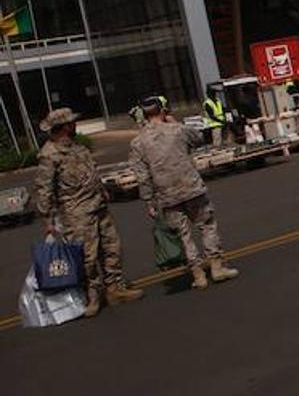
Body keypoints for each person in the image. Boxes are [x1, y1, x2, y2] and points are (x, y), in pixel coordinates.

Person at [33, 107, 145, 316]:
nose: (75, 125)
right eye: (72, 123)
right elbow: (43, 189)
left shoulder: (77, 147)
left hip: (98, 206)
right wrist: (47, 221)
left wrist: (102, 190)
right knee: (87, 257)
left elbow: (90, 172)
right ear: (65, 126)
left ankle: (115, 289)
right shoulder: (50, 154)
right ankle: (92, 296)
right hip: (77, 213)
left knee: (112, 248)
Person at [128, 96, 240, 292]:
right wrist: (175, 122)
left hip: (166, 194)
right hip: (191, 187)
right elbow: (198, 138)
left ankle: (198, 274)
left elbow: (142, 175)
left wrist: (149, 201)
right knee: (206, 225)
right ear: (163, 110)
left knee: (182, 234)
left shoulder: (138, 142)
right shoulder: (177, 130)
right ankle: (217, 266)